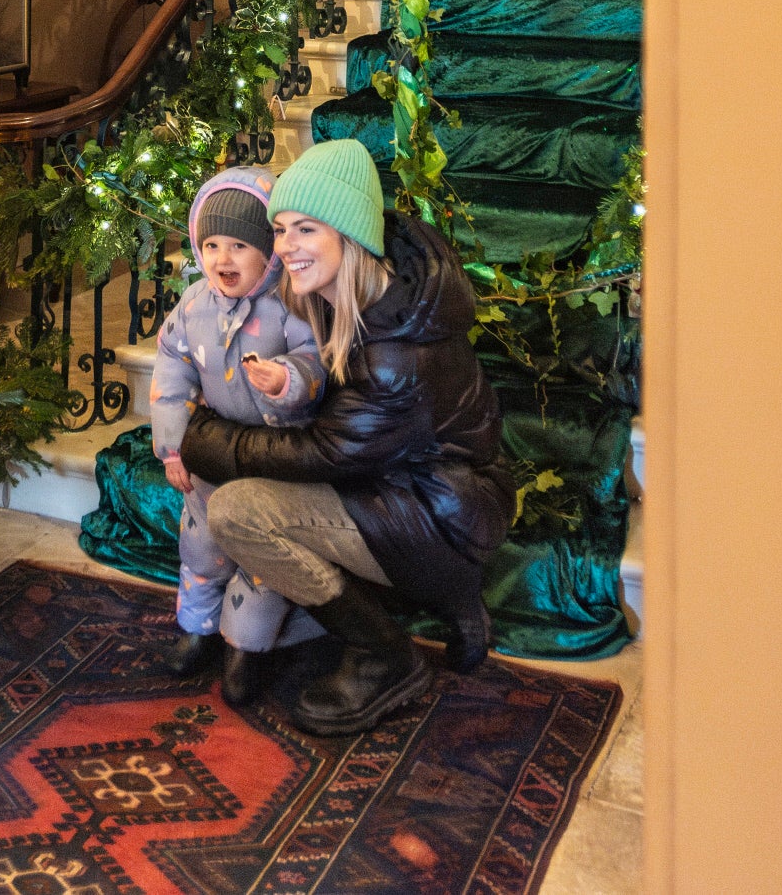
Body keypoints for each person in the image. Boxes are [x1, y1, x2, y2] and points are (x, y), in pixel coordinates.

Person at [178, 138, 514, 737]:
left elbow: (323, 452)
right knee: (257, 482)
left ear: (350, 234)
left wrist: (202, 438)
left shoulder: (394, 354)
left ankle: (384, 655)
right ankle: (448, 594)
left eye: (305, 229)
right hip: (430, 497)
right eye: (280, 229)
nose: (284, 248)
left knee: (237, 512)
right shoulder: (370, 291)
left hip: (437, 516)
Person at [146, 168, 325, 703]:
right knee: (200, 548)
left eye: (240, 246)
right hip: (210, 460)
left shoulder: (291, 303)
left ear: (269, 250)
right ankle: (198, 631)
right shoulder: (195, 305)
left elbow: (318, 362)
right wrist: (173, 447)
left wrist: (287, 378)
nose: (224, 259)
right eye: (212, 244)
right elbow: (171, 375)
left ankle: (246, 647)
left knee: (261, 560)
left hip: (276, 460)